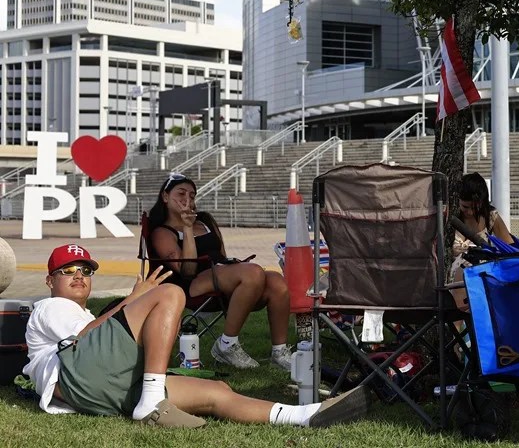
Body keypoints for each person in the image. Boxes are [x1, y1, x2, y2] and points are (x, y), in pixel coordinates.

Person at [24, 244, 370, 428]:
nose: (78, 275)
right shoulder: (49, 308)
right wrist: (133, 300)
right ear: (50, 281)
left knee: (217, 392)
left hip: (101, 390)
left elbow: (93, 336)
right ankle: (150, 402)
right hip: (74, 378)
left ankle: (304, 416)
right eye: (66, 271)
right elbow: (79, 340)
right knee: (171, 293)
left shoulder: (84, 315)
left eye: (85, 270)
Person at [147, 173, 291, 370]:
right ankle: (227, 345)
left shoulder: (205, 220)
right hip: (191, 284)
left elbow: (221, 255)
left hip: (220, 274)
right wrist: (187, 228)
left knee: (276, 281)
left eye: (192, 195)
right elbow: (187, 270)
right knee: (254, 273)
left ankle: (279, 352)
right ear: (165, 196)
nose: (187, 199)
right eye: (181, 193)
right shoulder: (162, 232)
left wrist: (234, 266)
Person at [448, 172, 515, 310]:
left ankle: (458, 326)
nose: (470, 212)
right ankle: (457, 324)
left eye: (475, 207)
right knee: (463, 271)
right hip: (453, 275)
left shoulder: (490, 216)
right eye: (465, 207)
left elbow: (509, 246)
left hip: (482, 272)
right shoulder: (450, 216)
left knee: (467, 271)